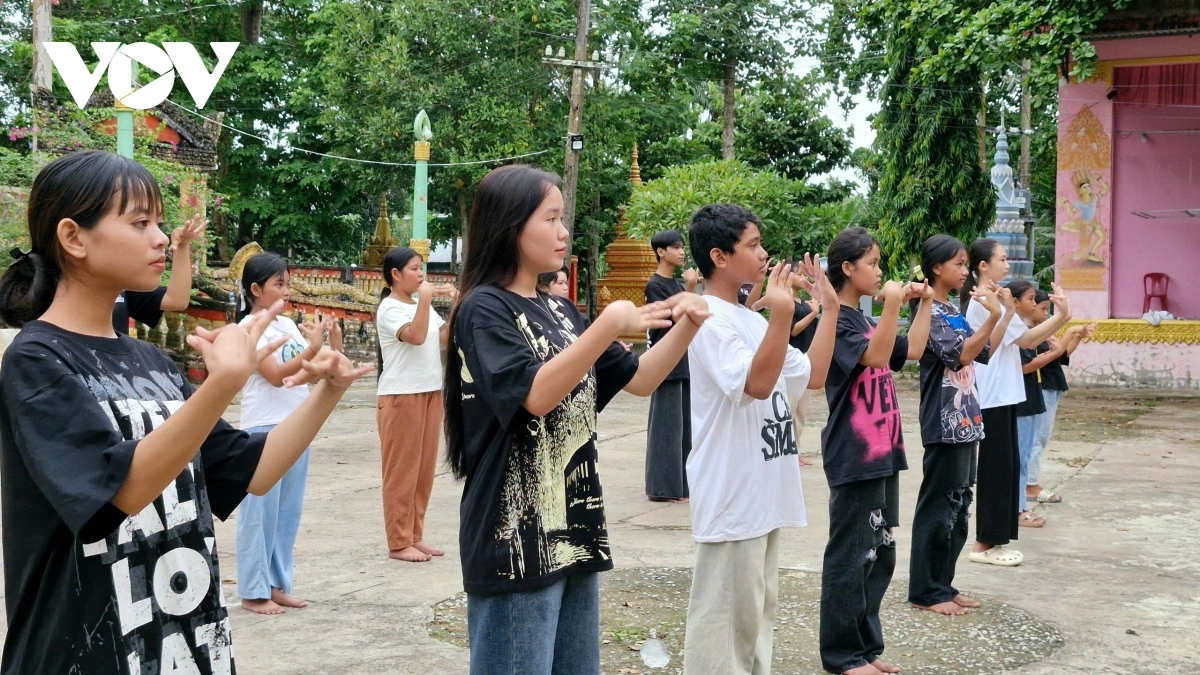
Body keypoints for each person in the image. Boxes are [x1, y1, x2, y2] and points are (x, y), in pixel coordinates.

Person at [0, 150, 369, 674]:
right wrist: (222, 385)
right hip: (85, 649)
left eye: (160, 221)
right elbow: (118, 494)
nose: (161, 238)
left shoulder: (150, 359)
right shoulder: (36, 359)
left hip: (182, 641)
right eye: (140, 222)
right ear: (73, 237)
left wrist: (327, 392)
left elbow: (250, 472)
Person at [443, 164, 710, 675]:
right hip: (514, 540)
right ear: (510, 227)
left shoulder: (562, 312)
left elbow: (641, 379)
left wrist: (687, 326)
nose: (564, 231)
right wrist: (609, 322)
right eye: (551, 218)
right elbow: (535, 396)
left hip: (576, 527)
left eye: (563, 218)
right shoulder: (483, 309)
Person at [682, 203, 840, 675]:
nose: (764, 253)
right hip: (733, 496)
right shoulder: (707, 316)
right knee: (723, 630)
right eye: (753, 245)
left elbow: (811, 376)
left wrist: (829, 308)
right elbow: (753, 384)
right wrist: (782, 314)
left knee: (755, 622)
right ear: (720, 256)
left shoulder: (748, 319)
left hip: (764, 492)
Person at [818, 228, 933, 675]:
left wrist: (922, 302)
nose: (881, 270)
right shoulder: (842, 322)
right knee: (851, 554)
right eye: (873, 263)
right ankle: (842, 656)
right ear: (848, 268)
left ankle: (866, 649)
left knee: (879, 552)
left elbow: (914, 349)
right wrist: (891, 302)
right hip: (853, 453)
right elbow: (875, 358)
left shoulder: (866, 321)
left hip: (884, 452)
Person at [234, 252, 342, 614]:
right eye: (278, 284)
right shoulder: (250, 327)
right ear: (255, 289)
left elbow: (304, 373)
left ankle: (278, 583)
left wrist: (330, 350)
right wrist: (313, 349)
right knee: (259, 513)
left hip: (294, 426)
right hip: (263, 427)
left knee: (286, 514)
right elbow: (276, 375)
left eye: (287, 283)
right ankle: (252, 590)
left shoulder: (289, 327)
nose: (286, 291)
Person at [907, 234, 999, 616]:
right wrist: (993, 315)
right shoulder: (928, 310)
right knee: (939, 506)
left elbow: (985, 352)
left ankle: (943, 583)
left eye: (965, 264)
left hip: (965, 418)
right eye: (959, 264)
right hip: (943, 419)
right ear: (936, 268)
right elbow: (959, 356)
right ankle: (926, 590)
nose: (965, 270)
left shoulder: (953, 309)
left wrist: (1000, 313)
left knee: (959, 506)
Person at [963, 239, 1070, 564]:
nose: (1008, 265)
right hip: (993, 395)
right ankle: (983, 544)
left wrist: (1063, 317)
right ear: (983, 266)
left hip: (1006, 394)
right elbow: (1027, 339)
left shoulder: (997, 298)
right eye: (1003, 259)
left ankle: (997, 541)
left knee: (1007, 469)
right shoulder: (982, 301)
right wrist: (1062, 317)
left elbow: (1027, 337)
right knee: (996, 471)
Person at [376, 246, 456, 563]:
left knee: (423, 471)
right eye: (413, 268)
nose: (421, 273)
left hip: (430, 391)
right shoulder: (390, 308)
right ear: (396, 275)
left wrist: (457, 302)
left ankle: (414, 535)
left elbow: (445, 338)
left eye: (421, 267)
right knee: (401, 473)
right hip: (401, 395)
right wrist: (425, 298)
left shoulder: (417, 304)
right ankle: (398, 542)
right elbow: (417, 336)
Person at [1014, 286, 1095, 511]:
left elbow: (1063, 354)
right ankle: (1030, 484)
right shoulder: (1029, 333)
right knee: (1036, 438)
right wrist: (1069, 331)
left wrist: (1076, 335)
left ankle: (1030, 482)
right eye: (1039, 306)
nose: (1043, 312)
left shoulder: (1039, 331)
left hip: (1051, 385)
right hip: (1042, 388)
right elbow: (1050, 355)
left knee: (1040, 436)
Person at [644, 229, 699, 503]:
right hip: (664, 362)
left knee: (684, 428)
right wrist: (689, 289)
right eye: (675, 247)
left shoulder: (676, 286)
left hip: (684, 360)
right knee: (666, 428)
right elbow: (669, 321)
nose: (681, 252)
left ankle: (681, 486)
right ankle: (663, 489)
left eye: (682, 247)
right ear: (661, 252)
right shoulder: (655, 285)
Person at [111, 213, 206, 335]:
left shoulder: (119, 284)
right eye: (142, 223)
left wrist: (182, 245)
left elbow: (176, 300)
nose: (164, 239)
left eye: (159, 224)